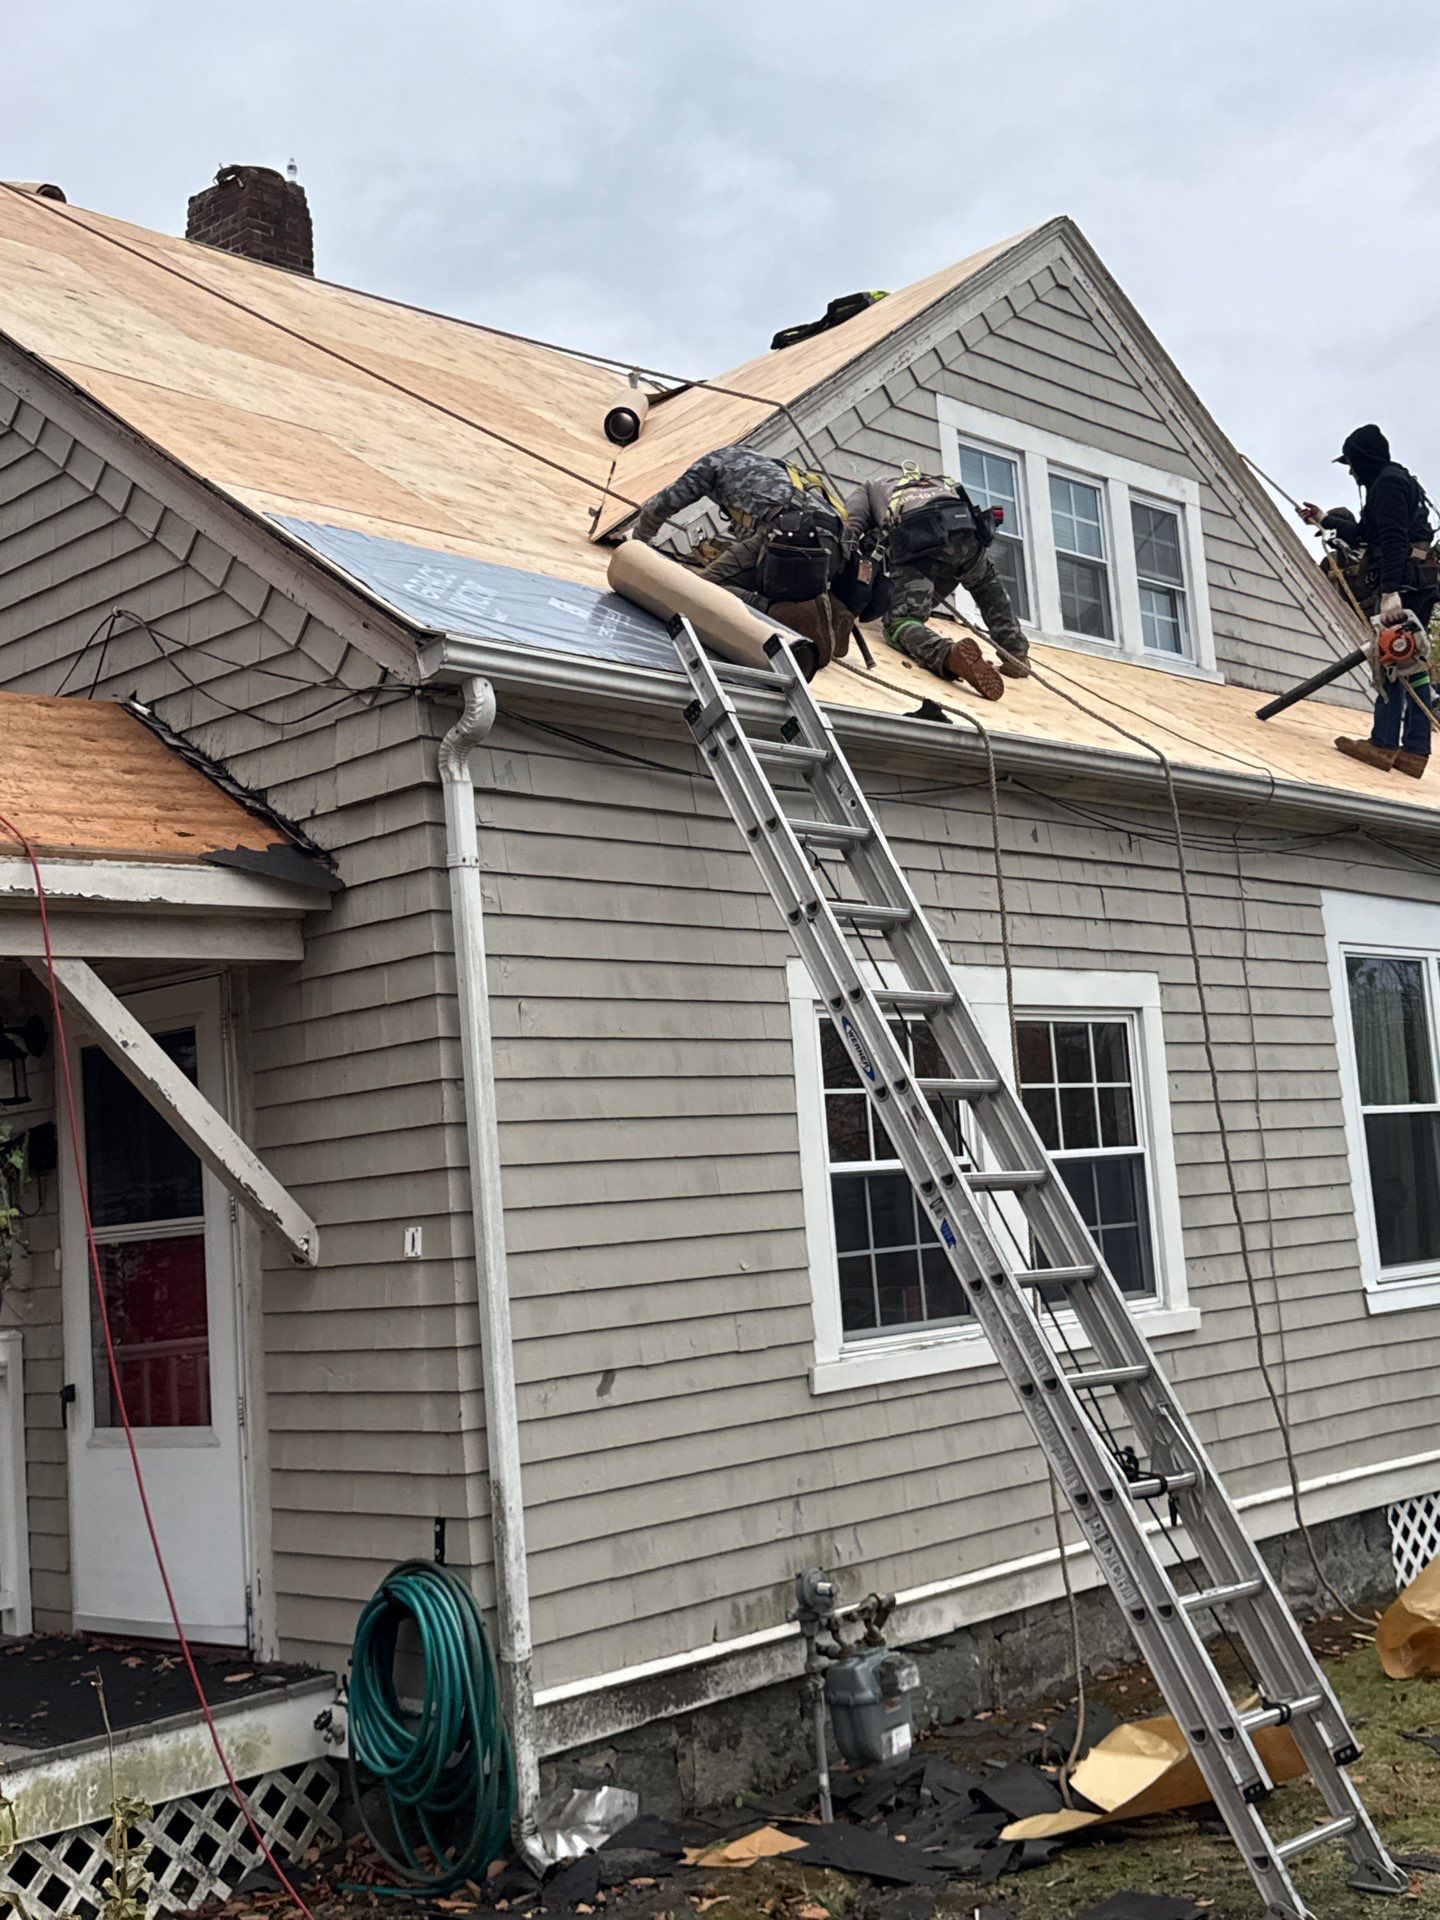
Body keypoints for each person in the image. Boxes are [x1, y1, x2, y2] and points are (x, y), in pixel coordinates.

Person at [629, 444, 852, 668]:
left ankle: (786, 613)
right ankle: (833, 610)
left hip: (792, 538)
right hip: (834, 549)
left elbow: (663, 504)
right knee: (759, 572)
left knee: (704, 589)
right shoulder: (763, 464)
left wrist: (636, 546)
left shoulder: (711, 464)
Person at [1300, 425, 1440, 777]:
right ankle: (1415, 751)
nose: (1350, 470)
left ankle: (1383, 744)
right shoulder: (1391, 482)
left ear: (1364, 459)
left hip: (1404, 582)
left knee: (1391, 659)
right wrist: (1323, 519)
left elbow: (1392, 540)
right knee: (1412, 663)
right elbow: (1366, 534)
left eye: (1352, 462)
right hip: (1418, 580)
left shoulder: (1388, 484)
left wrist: (1391, 591)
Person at [840, 469, 1029, 701]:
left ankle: (949, 655)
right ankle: (1016, 655)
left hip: (921, 544)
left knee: (901, 622)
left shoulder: (870, 488)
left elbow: (847, 531)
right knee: (985, 584)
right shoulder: (931, 481)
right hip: (966, 537)